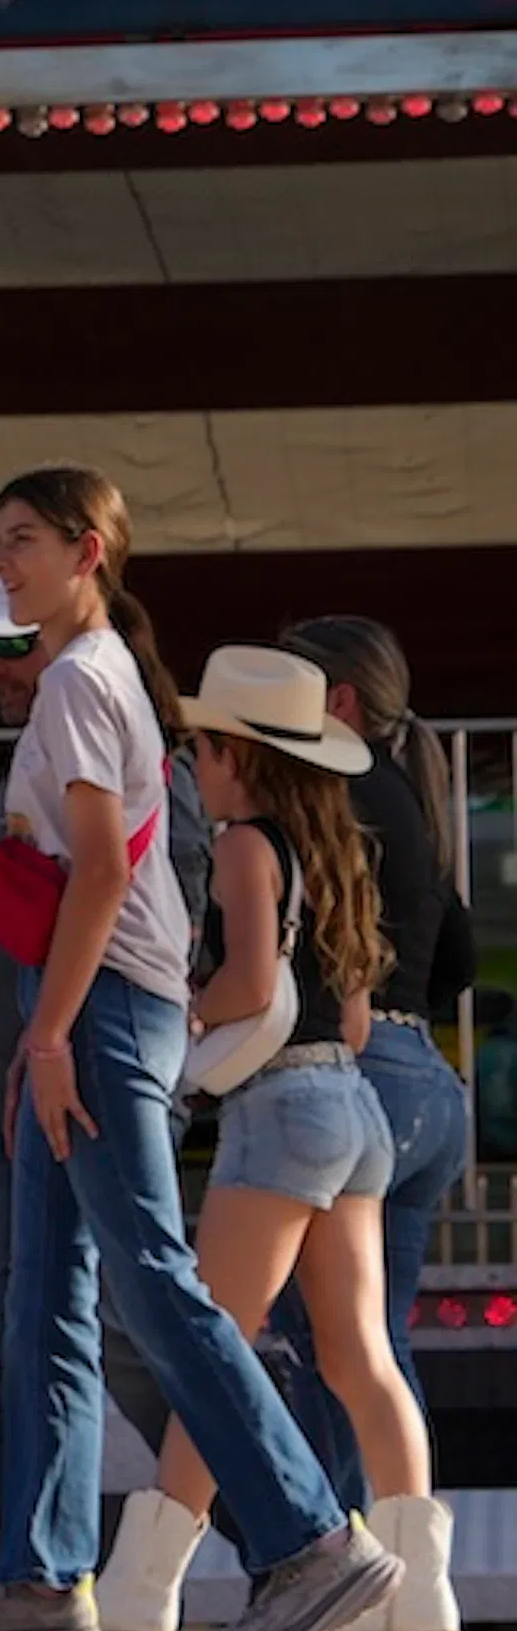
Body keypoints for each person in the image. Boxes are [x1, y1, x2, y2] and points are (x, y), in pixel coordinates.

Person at [0, 467, 395, 1631]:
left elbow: (102, 870)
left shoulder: (74, 678)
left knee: (145, 1288)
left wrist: (52, 1032)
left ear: (88, 554)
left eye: (22, 541)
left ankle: (309, 1542)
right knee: (56, 1304)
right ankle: (40, 1578)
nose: (2, 561)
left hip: (102, 1008)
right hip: (100, 1005)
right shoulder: (100, 673)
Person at [92, 647, 443, 1631]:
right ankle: (422, 1597)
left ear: (243, 757)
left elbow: (249, 986)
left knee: (211, 1350)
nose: (193, 767)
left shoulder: (247, 846)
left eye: (202, 749)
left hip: (282, 1115)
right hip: (355, 1109)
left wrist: (181, 1031)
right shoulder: (340, 851)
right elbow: (360, 1021)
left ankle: (141, 1592)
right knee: (362, 1359)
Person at [0, 574, 203, 1605]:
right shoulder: (45, 766)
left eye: (16, 649)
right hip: (39, 1082)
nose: (0, 671)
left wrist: (72, 1049)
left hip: (85, 1072)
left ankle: (289, 1515)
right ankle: (18, 1580)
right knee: (36, 1332)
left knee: (109, 1324)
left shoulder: (132, 760)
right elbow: (2, 957)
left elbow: (154, 936)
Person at [268, 616, 477, 1575]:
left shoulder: (331, 788)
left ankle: (340, 1571)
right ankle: (410, 1573)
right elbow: (459, 964)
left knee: (327, 1346)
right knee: (376, 1347)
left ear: (338, 703)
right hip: (430, 1083)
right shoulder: (413, 803)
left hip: (364, 1084)